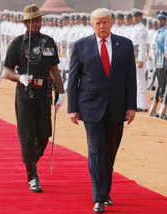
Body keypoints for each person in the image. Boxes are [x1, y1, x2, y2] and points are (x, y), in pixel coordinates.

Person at [67, 8, 137, 213]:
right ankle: (98, 197)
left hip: (117, 107)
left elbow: (130, 79)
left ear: (112, 23)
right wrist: (73, 108)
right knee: (96, 150)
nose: (102, 26)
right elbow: (73, 79)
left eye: (105, 22)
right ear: (91, 24)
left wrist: (131, 106)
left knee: (110, 153)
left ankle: (105, 192)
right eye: (97, 23)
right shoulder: (81, 46)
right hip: (90, 108)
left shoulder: (124, 45)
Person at [4, 4, 65, 192]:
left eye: (38, 20)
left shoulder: (49, 42)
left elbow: (54, 70)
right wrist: (19, 77)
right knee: (28, 135)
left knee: (44, 134)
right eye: (32, 21)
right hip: (25, 94)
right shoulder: (17, 43)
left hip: (44, 93)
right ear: (26, 23)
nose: (35, 23)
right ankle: (32, 175)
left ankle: (30, 160)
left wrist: (61, 92)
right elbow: (7, 71)